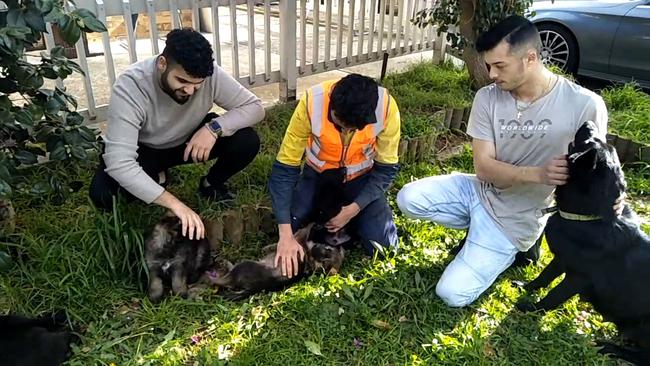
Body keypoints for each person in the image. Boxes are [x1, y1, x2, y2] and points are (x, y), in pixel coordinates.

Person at [396, 15, 610, 307]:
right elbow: (483, 168)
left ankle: (512, 247)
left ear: (530, 58)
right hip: (480, 191)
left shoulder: (585, 105)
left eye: (500, 65)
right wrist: (538, 173)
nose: (492, 74)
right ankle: (478, 232)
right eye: (488, 66)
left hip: (517, 217)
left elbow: (592, 172)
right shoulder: (488, 97)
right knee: (409, 198)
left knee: (451, 295)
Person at [89, 28, 265, 240]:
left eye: (197, 85)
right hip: (145, 149)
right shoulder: (131, 86)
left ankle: (211, 184)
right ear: (162, 64)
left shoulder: (210, 75)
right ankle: (158, 178)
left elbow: (255, 107)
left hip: (188, 141)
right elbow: (119, 162)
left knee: (246, 140)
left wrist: (213, 129)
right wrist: (174, 204)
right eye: (182, 81)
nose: (190, 91)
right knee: (103, 194)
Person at [269, 74, 401, 278]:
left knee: (384, 249)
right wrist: (285, 234)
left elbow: (386, 170)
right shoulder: (312, 103)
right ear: (332, 103)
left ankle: (356, 222)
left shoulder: (385, 107)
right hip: (319, 177)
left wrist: (354, 209)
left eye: (353, 129)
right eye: (340, 125)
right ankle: (340, 223)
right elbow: (285, 169)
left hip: (362, 178)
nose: (346, 131)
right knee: (290, 223)